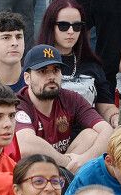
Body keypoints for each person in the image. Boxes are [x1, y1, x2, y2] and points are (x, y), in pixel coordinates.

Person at [15, 44, 113, 172]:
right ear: (27, 78)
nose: (51, 77)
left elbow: (107, 130)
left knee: (91, 135)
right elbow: (25, 145)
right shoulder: (18, 103)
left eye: (56, 70)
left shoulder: (70, 98)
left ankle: (66, 181)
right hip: (31, 175)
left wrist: (84, 159)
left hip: (68, 170)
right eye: (43, 71)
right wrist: (66, 163)